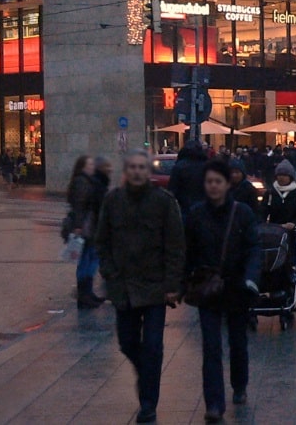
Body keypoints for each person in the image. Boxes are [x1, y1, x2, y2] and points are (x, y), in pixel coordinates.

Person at [96, 149, 185, 425]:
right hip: (123, 286)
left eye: (141, 167)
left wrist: (172, 284)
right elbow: (102, 241)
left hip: (155, 286)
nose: (136, 172)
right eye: (132, 167)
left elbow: (175, 245)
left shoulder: (163, 202)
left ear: (148, 172)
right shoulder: (113, 201)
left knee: (154, 347)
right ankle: (146, 374)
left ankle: (148, 404)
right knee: (127, 342)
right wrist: (109, 273)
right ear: (126, 171)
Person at [183, 160, 262, 422]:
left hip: (237, 288)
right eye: (209, 182)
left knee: (238, 342)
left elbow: (253, 248)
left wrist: (250, 278)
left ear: (228, 184)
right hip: (207, 288)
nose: (213, 186)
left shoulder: (242, 213)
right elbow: (187, 251)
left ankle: (239, 384)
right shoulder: (196, 214)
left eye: (218, 181)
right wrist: (182, 282)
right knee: (211, 347)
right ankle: (214, 403)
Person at [67, 155, 103, 309]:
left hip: (89, 225)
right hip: (85, 227)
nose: (92, 167)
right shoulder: (81, 182)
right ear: (83, 167)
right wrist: (78, 225)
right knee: (85, 260)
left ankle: (87, 293)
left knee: (90, 258)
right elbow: (79, 205)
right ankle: (84, 295)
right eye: (90, 164)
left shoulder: (87, 180)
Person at [262, 159, 296, 228]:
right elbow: (262, 212)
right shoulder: (270, 192)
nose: (281, 177)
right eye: (279, 175)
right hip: (274, 230)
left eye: (285, 175)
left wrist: (294, 223)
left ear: (291, 177)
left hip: (293, 230)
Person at [169, 140, 209, 215]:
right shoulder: (207, 165)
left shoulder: (179, 166)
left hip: (184, 205)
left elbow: (173, 188)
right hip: (204, 205)